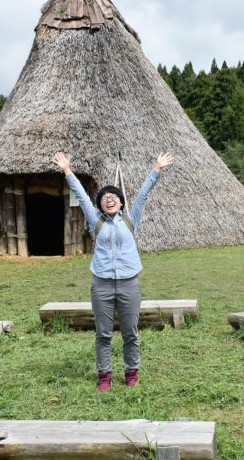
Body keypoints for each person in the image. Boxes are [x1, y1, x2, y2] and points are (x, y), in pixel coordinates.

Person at [53, 151, 174, 391]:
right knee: (103, 334)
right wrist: (67, 171)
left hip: (129, 283)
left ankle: (131, 371)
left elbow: (143, 195)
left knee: (130, 332)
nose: (109, 198)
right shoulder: (96, 221)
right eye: (104, 197)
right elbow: (80, 195)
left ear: (120, 202)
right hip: (102, 285)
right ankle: (105, 375)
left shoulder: (131, 220)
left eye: (113, 196)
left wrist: (156, 169)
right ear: (99, 205)